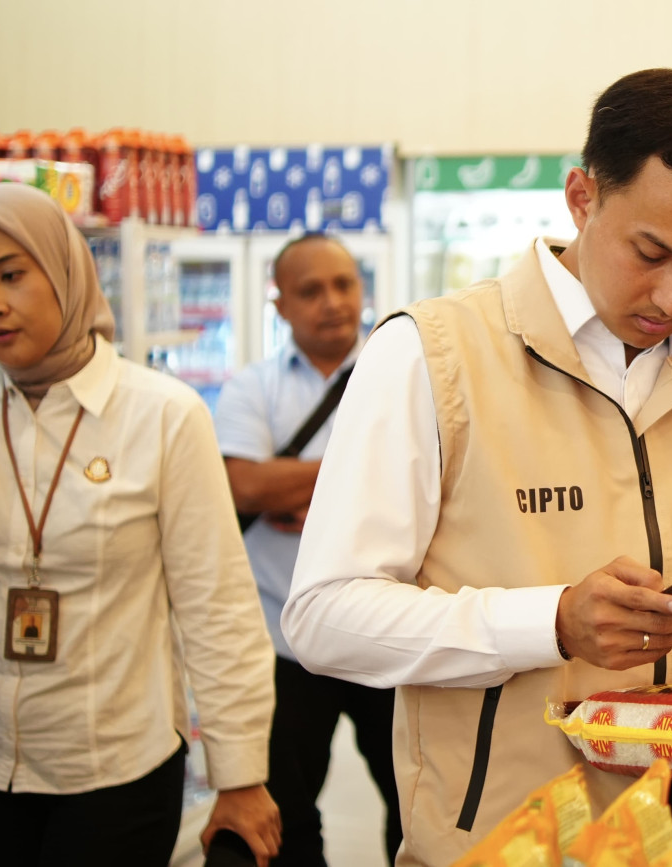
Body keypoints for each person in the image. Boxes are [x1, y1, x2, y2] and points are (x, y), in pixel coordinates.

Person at [281, 68, 672, 865]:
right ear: (582, 196)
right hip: (509, 842)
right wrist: (550, 621)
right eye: (649, 251)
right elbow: (326, 616)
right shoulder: (434, 354)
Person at [0, 183, 280, 867]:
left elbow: (217, 606)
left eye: (11, 275)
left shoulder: (164, 414)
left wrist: (241, 774)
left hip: (117, 772)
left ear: (68, 272)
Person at [214, 233, 400, 865]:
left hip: (387, 638)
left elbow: (423, 483)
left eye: (344, 285)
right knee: (286, 821)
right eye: (310, 290)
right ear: (281, 305)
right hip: (283, 643)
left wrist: (296, 488)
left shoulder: (402, 376)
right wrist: (358, 480)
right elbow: (244, 485)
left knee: (416, 807)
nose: (332, 302)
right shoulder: (252, 388)